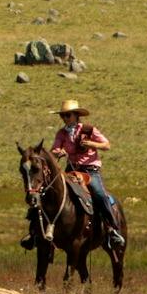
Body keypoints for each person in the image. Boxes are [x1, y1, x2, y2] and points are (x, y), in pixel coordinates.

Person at [48, 99, 123, 250]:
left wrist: (92, 144)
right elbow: (53, 151)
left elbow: (107, 145)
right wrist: (58, 152)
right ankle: (39, 232)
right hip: (71, 170)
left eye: (68, 115)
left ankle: (112, 228)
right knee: (50, 192)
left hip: (90, 170)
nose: (65, 118)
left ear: (76, 115)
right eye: (63, 116)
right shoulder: (61, 133)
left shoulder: (89, 130)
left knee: (100, 194)